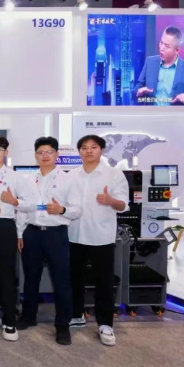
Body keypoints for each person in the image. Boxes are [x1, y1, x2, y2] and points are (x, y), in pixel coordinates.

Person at [16, 137, 82, 346]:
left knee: (61, 281)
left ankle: (62, 325)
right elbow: (22, 209)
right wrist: (20, 233)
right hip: (32, 233)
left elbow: (77, 209)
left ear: (56, 155)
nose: (45, 156)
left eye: (49, 152)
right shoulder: (28, 180)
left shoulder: (68, 179)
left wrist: (61, 210)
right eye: (40, 152)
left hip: (56, 234)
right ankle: (28, 316)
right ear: (35, 156)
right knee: (31, 278)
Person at [68, 135, 129, 346]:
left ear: (101, 150)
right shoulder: (71, 175)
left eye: (93, 147)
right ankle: (76, 315)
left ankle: (105, 324)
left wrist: (110, 200)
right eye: (84, 147)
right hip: (74, 234)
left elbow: (123, 205)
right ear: (79, 151)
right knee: (74, 279)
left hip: (101, 236)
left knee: (103, 282)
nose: (88, 151)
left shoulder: (113, 174)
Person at [0, 136, 36, 342]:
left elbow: (31, 203)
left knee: (6, 275)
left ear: (6, 153)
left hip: (5, 227)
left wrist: (14, 201)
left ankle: (9, 320)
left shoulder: (16, 178)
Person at [135, 26, 184, 106]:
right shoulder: (150, 62)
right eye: (161, 43)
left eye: (167, 46)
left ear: (177, 50)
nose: (161, 48)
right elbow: (137, 89)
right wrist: (139, 92)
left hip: (175, 113)